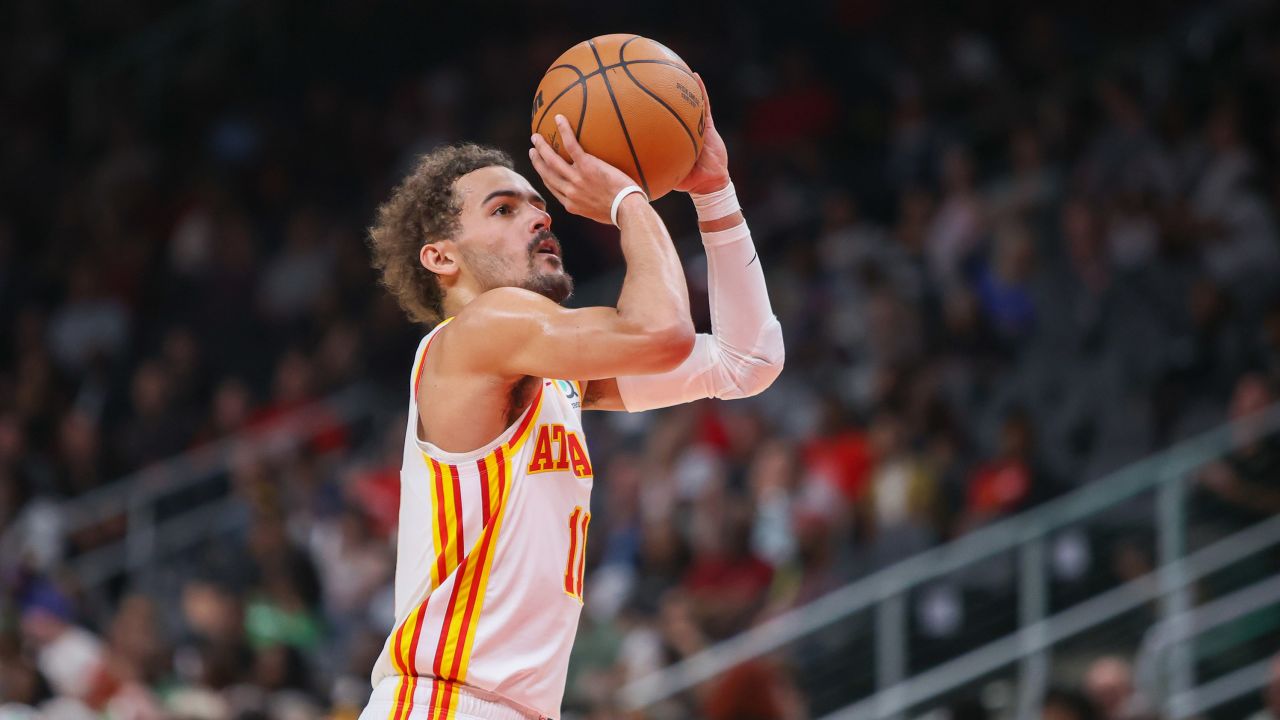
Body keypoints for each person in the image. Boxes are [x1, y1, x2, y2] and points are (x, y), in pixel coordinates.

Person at [360, 74, 784, 720]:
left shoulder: (556, 376)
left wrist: (714, 192)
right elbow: (661, 332)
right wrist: (627, 201)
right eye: (503, 210)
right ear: (442, 258)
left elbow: (747, 361)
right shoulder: (472, 336)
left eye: (538, 206)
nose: (538, 216)